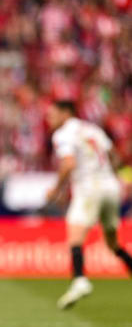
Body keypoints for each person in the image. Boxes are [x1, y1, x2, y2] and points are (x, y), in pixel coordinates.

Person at [46, 101, 132, 310]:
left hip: (88, 188)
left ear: (65, 113)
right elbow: (114, 157)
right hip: (111, 187)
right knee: (112, 243)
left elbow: (69, 163)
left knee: (75, 235)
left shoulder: (63, 134)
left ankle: (79, 279)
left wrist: (56, 189)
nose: (49, 119)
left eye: (53, 114)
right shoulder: (93, 129)